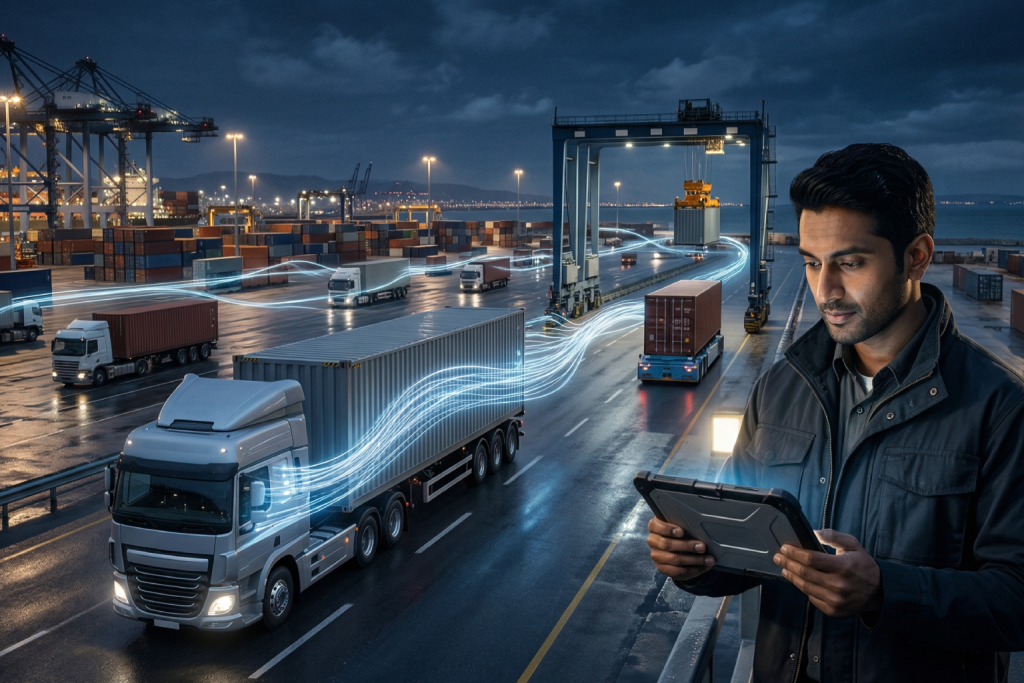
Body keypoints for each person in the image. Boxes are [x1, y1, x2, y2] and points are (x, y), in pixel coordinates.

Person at [647, 143, 1024, 682]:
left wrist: (884, 592)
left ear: (916, 255)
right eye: (811, 262)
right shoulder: (780, 388)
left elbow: (1016, 597)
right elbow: (740, 549)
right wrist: (692, 562)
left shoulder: (1000, 408)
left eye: (850, 263)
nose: (826, 290)